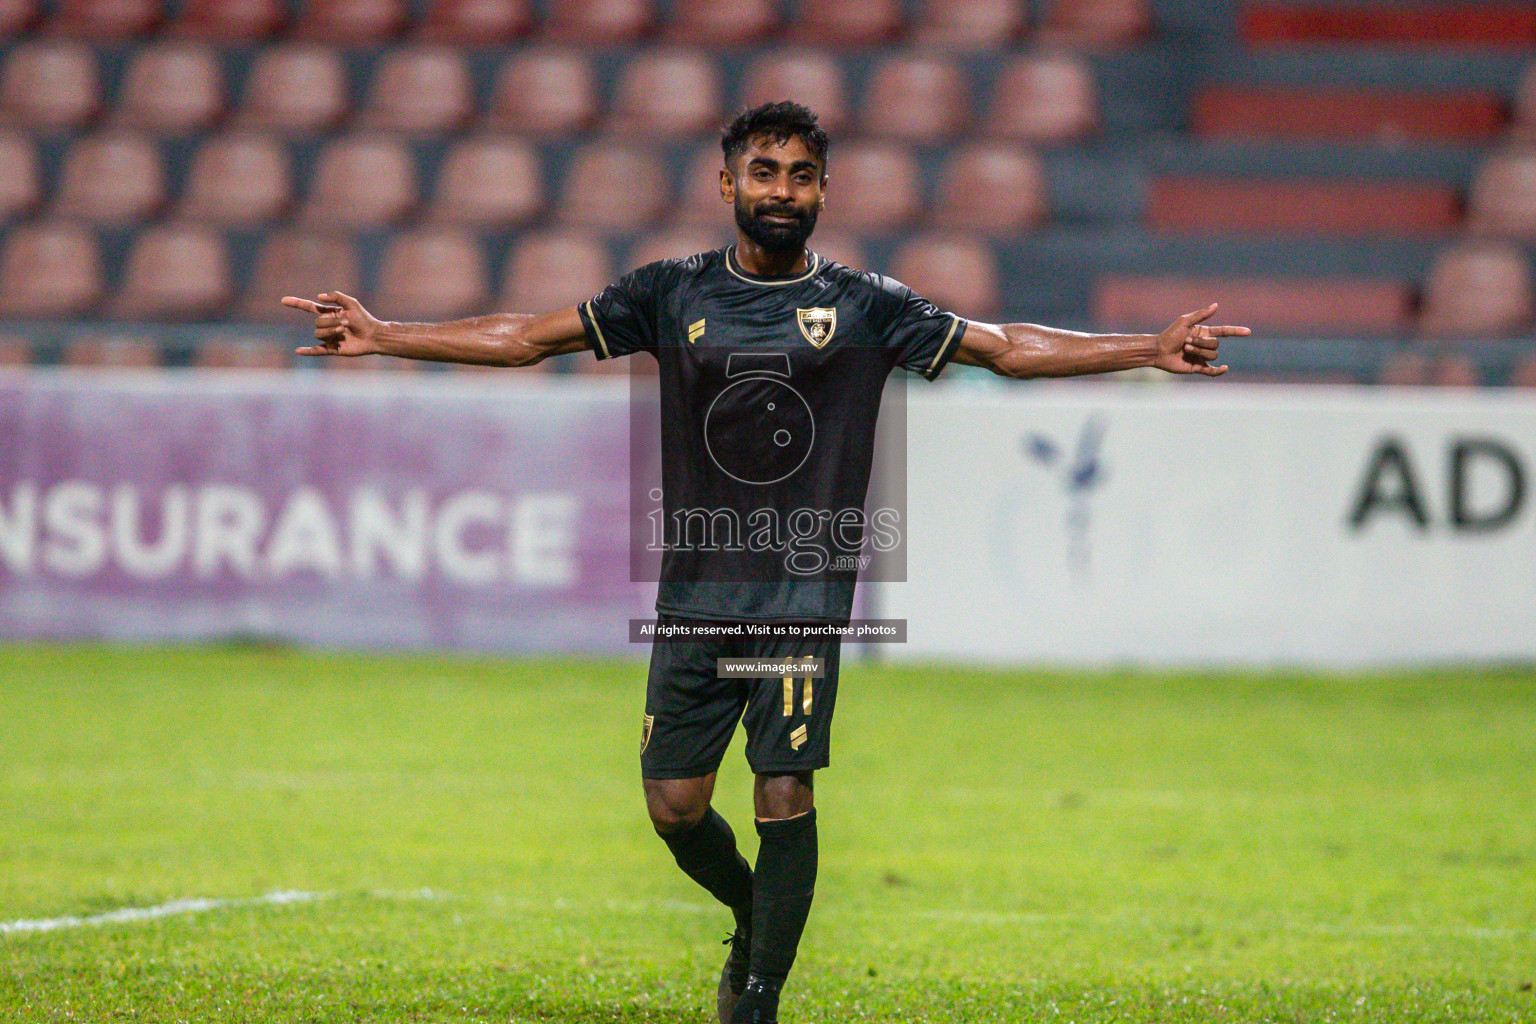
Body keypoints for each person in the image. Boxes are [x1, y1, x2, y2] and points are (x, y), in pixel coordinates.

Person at [283, 101, 1247, 1024]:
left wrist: (1145, 349)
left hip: (800, 594)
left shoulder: (867, 306)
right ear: (727, 183)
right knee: (673, 807)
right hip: (695, 595)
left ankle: (759, 996)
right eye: (764, 171)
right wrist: (386, 335)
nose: (781, 189)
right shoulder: (672, 292)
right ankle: (755, 915)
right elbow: (531, 337)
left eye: (801, 175)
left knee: (783, 788)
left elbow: (1007, 348)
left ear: (824, 193)